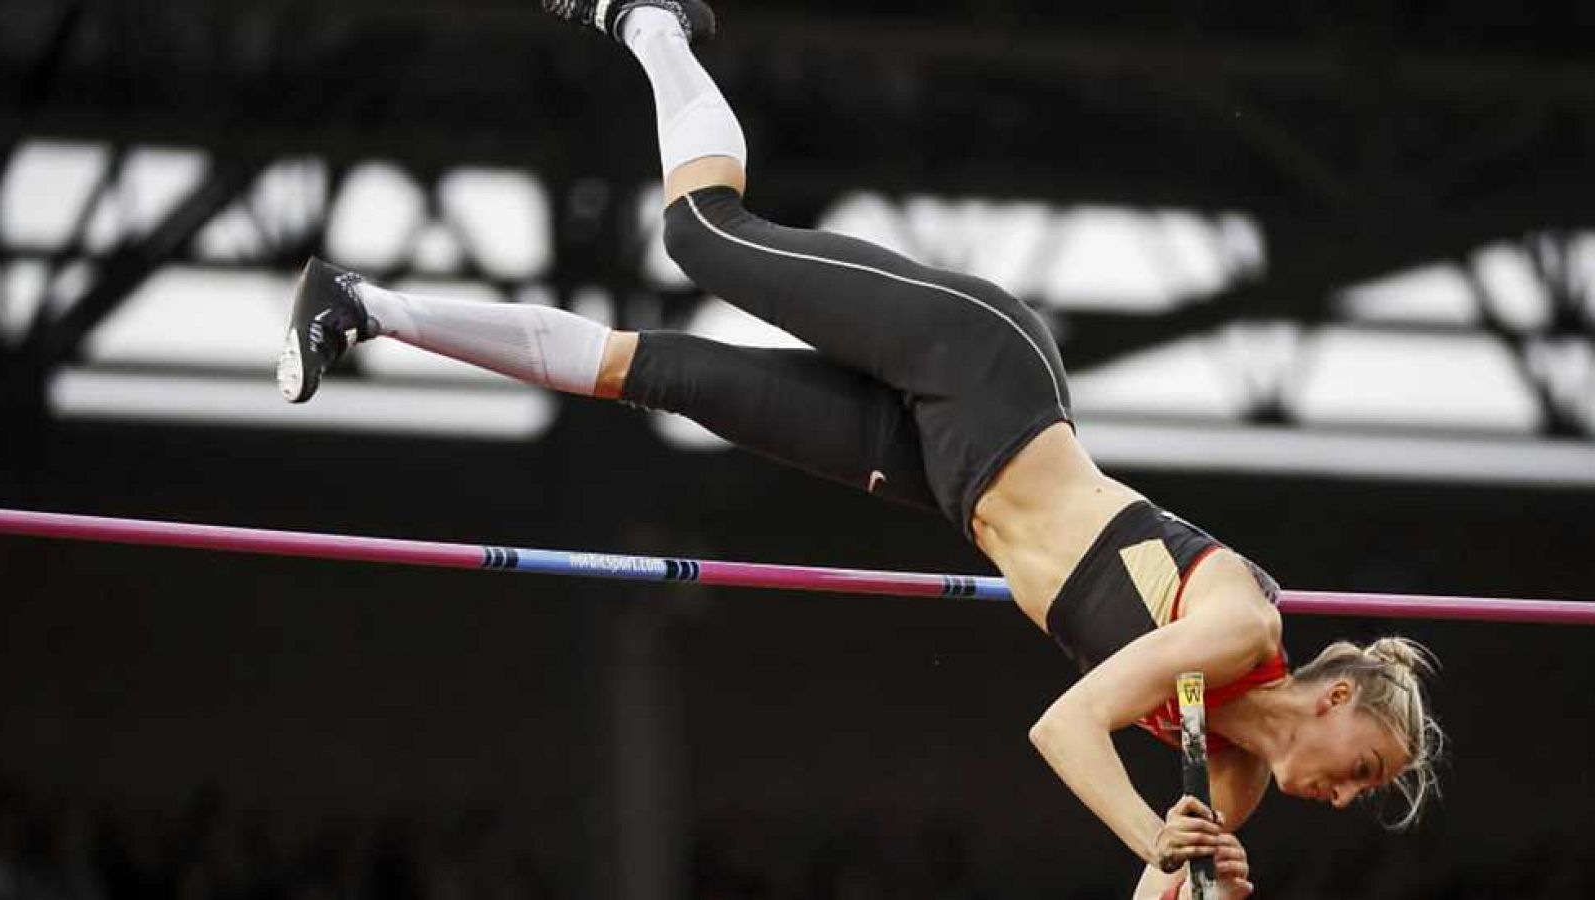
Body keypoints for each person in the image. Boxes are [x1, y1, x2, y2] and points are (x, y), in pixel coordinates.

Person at [275, 3, 1443, 897]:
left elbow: (1156, 877)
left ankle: (361, 305)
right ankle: (652, 20)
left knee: (658, 373)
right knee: (701, 235)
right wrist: (1158, 837)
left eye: (1361, 793)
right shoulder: (1241, 626)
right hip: (980, 377)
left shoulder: (1229, 782)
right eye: (1367, 765)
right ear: (1337, 693)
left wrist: (1189, 879)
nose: (1347, 795)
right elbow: (1064, 726)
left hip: (942, 471)